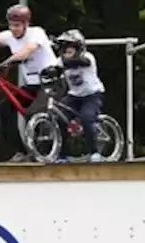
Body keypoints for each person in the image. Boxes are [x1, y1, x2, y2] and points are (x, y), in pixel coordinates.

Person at [0, 5, 57, 161]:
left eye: (17, 25)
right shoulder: (9, 36)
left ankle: (44, 151)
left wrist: (9, 61)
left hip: (51, 82)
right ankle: (21, 151)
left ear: (26, 24)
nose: (13, 29)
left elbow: (27, 50)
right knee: (2, 112)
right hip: (32, 85)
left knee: (32, 113)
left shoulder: (37, 33)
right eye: (10, 25)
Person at [52, 30, 106, 162]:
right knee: (59, 118)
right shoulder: (61, 60)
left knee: (87, 117)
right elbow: (54, 70)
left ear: (78, 48)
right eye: (65, 50)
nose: (67, 53)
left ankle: (94, 152)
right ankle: (62, 155)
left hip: (92, 94)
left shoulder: (88, 57)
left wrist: (63, 63)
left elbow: (81, 62)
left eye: (70, 50)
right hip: (74, 95)